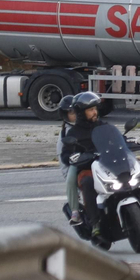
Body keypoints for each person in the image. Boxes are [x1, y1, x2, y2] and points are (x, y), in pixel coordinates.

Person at [60, 91, 107, 229]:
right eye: (91, 110)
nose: (95, 112)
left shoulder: (102, 125)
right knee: (85, 182)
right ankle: (92, 221)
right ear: (81, 113)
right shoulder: (73, 132)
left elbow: (114, 138)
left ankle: (139, 201)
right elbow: (65, 154)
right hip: (85, 166)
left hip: (105, 163)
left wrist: (125, 142)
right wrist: (72, 157)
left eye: (95, 109)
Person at [56, 95, 82, 227]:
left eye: (76, 111)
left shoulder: (87, 124)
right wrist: (72, 159)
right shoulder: (65, 134)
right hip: (75, 163)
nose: (75, 115)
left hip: (92, 159)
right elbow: (64, 159)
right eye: (71, 112)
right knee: (71, 177)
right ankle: (75, 211)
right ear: (65, 115)